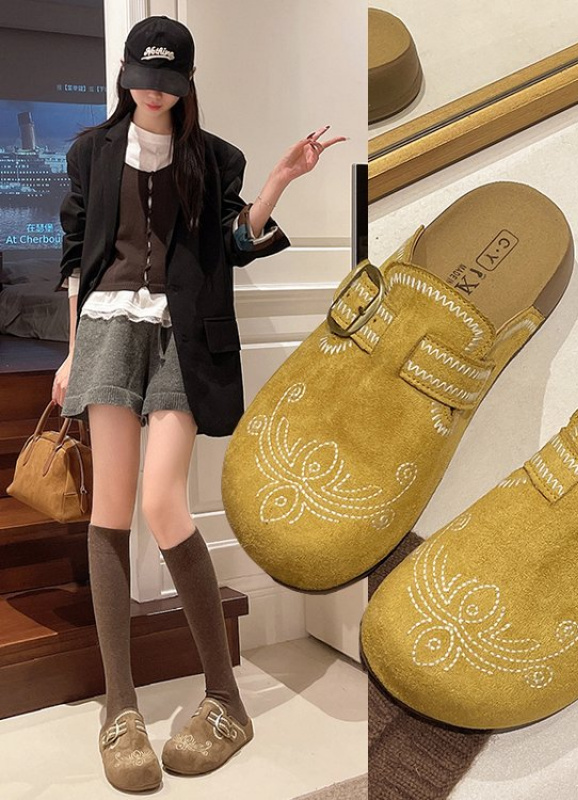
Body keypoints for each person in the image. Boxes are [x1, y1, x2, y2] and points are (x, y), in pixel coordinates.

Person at [50, 15, 346, 792]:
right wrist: (73, 350)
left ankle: (225, 701)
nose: (153, 93)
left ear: (186, 84)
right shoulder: (90, 152)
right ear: (125, 76)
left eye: (168, 82)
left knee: (163, 503)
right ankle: (120, 708)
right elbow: (76, 257)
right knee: (109, 510)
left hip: (184, 337)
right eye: (142, 79)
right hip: (107, 329)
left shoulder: (215, 158)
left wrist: (279, 182)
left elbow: (233, 243)